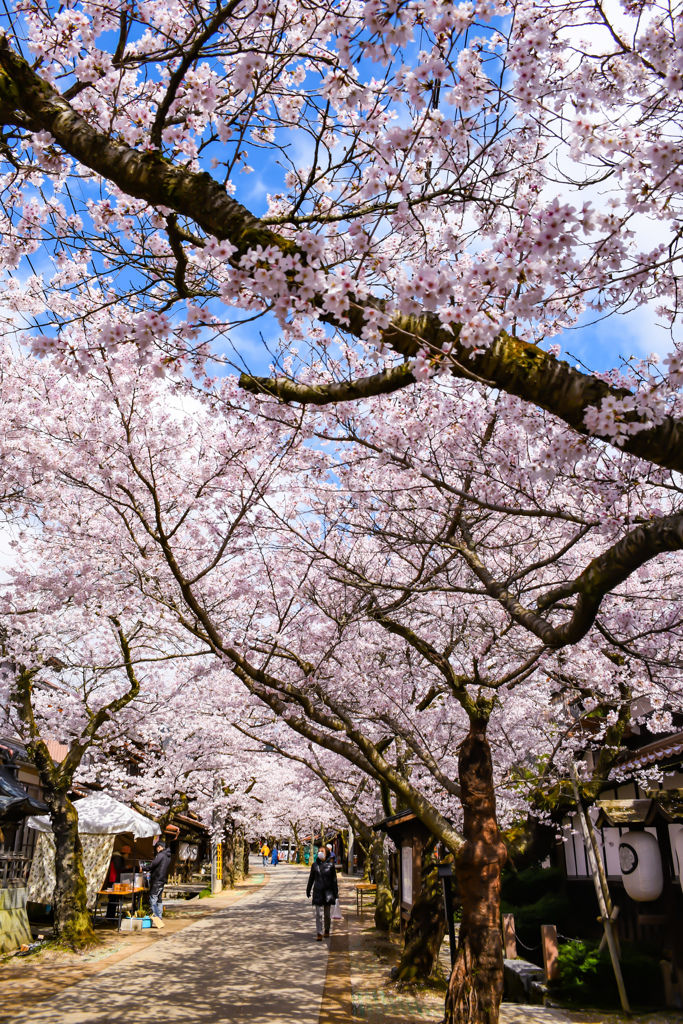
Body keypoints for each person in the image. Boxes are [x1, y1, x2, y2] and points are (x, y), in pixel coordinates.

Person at [306, 847, 338, 940]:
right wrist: (308, 890)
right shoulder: (314, 865)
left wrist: (336, 893)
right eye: (319, 851)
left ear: (327, 853)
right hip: (318, 891)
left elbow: (334, 880)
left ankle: (327, 929)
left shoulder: (331, 865)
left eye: (322, 851)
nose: (320, 853)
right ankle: (319, 933)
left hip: (328, 892)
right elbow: (311, 878)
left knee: (327, 914)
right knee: (318, 914)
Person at [148, 840, 172, 919]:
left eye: (157, 848)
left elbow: (152, 865)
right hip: (162, 879)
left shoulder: (161, 855)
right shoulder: (168, 856)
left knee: (153, 898)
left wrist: (143, 868)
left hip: (157, 879)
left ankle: (156, 916)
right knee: (159, 899)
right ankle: (160, 916)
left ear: (159, 847)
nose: (156, 850)